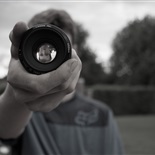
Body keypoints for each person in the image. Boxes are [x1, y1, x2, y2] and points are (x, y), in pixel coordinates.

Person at [0, 9, 124, 155]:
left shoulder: (100, 115)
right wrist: (15, 98)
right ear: (25, 51)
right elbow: (5, 129)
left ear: (75, 51)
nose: (46, 57)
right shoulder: (24, 112)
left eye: (57, 47)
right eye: (41, 50)